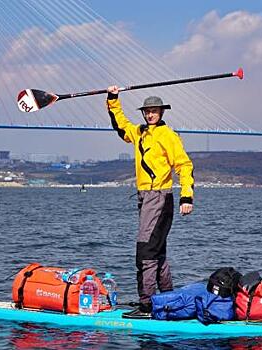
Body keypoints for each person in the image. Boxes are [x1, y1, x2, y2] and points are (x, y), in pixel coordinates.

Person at [106, 86, 194, 319]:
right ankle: (168, 299)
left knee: (144, 251)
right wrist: (113, 98)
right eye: (147, 111)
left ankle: (146, 305)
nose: (150, 115)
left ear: (162, 112)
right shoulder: (140, 132)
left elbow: (184, 166)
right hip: (144, 198)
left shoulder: (169, 136)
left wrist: (187, 196)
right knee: (157, 252)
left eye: (154, 111)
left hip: (160, 198)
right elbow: (120, 124)